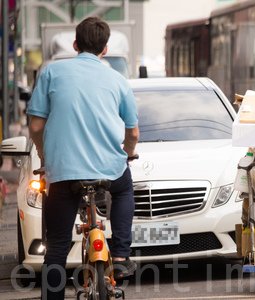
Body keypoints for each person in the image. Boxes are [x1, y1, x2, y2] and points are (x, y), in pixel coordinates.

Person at [27, 16, 140, 300]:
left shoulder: (52, 73)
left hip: (63, 171)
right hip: (109, 170)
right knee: (125, 188)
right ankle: (123, 254)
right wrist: (126, 154)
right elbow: (134, 133)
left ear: (75, 44)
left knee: (57, 248)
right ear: (105, 48)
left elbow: (36, 126)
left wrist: (44, 155)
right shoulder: (118, 79)